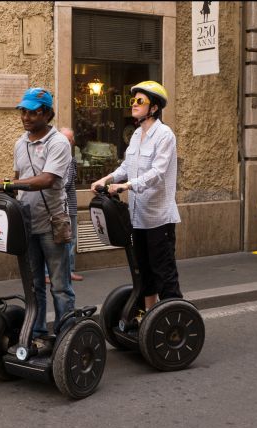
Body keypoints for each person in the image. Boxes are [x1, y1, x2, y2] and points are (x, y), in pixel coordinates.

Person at [0, 87, 73, 354]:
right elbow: (17, 182)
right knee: (34, 286)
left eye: (33, 112)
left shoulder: (58, 143)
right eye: (23, 111)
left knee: (60, 285)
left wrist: (6, 182)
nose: (26, 117)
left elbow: (46, 179)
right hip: (27, 224)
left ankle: (66, 337)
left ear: (46, 113)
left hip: (53, 222)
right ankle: (39, 334)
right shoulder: (20, 143)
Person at [89, 80, 182, 315]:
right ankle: (148, 317)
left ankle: (173, 318)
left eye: (140, 101)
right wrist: (106, 180)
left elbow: (158, 173)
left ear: (153, 108)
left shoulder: (165, 135)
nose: (134, 104)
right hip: (137, 218)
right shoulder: (137, 134)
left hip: (159, 218)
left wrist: (127, 186)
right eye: (133, 100)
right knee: (143, 271)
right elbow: (126, 166)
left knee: (164, 272)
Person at [45, 127, 83, 284]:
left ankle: (69, 270)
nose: (67, 143)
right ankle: (49, 273)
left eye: (69, 140)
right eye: (64, 139)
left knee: (71, 239)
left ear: (73, 142)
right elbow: (64, 183)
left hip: (70, 206)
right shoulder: (55, 157)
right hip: (59, 206)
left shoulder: (72, 159)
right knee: (54, 240)